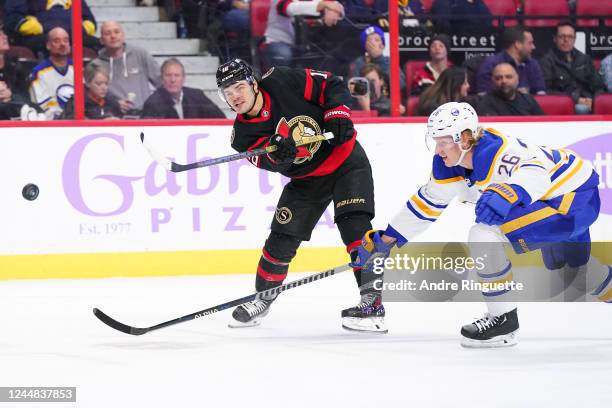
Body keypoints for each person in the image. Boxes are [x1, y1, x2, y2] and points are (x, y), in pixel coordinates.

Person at [351, 101, 608, 347]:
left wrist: (511, 191)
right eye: (435, 141)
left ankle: (503, 319)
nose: (438, 150)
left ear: (464, 138)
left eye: (443, 142)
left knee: (483, 235)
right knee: (574, 271)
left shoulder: (499, 153)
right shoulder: (448, 164)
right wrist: (386, 241)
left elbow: (536, 172)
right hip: (556, 200)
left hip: (572, 200)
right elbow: (427, 204)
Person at [216, 58, 385, 332]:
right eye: (227, 92)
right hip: (307, 180)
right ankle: (263, 299)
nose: (234, 96)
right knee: (281, 239)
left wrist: (337, 113)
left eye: (238, 87)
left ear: (253, 83)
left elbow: (331, 84)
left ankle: (372, 305)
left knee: (355, 228)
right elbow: (273, 164)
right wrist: (279, 157)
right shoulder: (242, 137)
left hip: (346, 162)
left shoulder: (282, 80)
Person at [92, 21, 161, 116]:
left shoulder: (140, 54)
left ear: (123, 35)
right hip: (113, 118)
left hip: (145, 116)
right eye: (108, 33)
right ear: (101, 40)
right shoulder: (96, 65)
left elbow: (161, 82)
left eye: (116, 32)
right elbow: (94, 96)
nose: (113, 36)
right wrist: (114, 104)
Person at [539, 21, 605, 114]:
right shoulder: (547, 61)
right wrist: (575, 100)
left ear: (574, 39)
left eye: (570, 37)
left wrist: (594, 101)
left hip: (588, 102)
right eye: (562, 36)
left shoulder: (584, 59)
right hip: (563, 105)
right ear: (555, 39)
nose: (566, 40)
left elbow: (598, 86)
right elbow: (546, 91)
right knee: (581, 109)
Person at [263, 0, 345, 69]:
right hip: (279, 40)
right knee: (283, 54)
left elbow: (336, 6)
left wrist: (333, 10)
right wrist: (323, 5)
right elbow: (289, 8)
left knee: (333, 55)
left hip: (311, 43)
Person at [4, 0, 99, 55]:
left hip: (73, 33)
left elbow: (90, 19)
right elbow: (13, 18)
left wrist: (84, 28)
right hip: (42, 35)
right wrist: (38, 28)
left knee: (99, 43)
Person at [141, 58, 225, 119]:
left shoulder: (197, 96)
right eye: (168, 75)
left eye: (177, 75)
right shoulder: (152, 103)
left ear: (183, 78)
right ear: (162, 78)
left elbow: (221, 119)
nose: (173, 80)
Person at [475, 26, 545, 95]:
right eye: (530, 43)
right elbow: (483, 97)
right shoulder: (490, 64)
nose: (533, 47)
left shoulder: (532, 64)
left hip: (527, 106)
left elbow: (541, 93)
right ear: (517, 44)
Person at [29, 27, 73, 119]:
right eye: (57, 41)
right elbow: (43, 104)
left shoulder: (79, 69)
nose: (62, 44)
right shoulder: (38, 72)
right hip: (53, 123)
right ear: (48, 45)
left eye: (66, 40)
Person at [350, 25, 406, 92]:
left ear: (382, 46)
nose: (373, 43)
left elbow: (400, 85)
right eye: (369, 40)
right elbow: (355, 89)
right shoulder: (359, 62)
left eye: (377, 40)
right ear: (365, 46)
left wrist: (378, 58)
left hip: (387, 100)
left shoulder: (389, 61)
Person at [475, 63, 543, 116]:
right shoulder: (485, 103)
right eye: (499, 78)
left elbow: (543, 124)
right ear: (493, 81)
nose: (504, 81)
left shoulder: (528, 100)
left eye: (508, 77)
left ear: (517, 79)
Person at [0, 27, 31, 119]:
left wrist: (10, 95)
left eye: (3, 33)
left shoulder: (16, 67)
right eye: (0, 35)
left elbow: (26, 98)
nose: (5, 37)